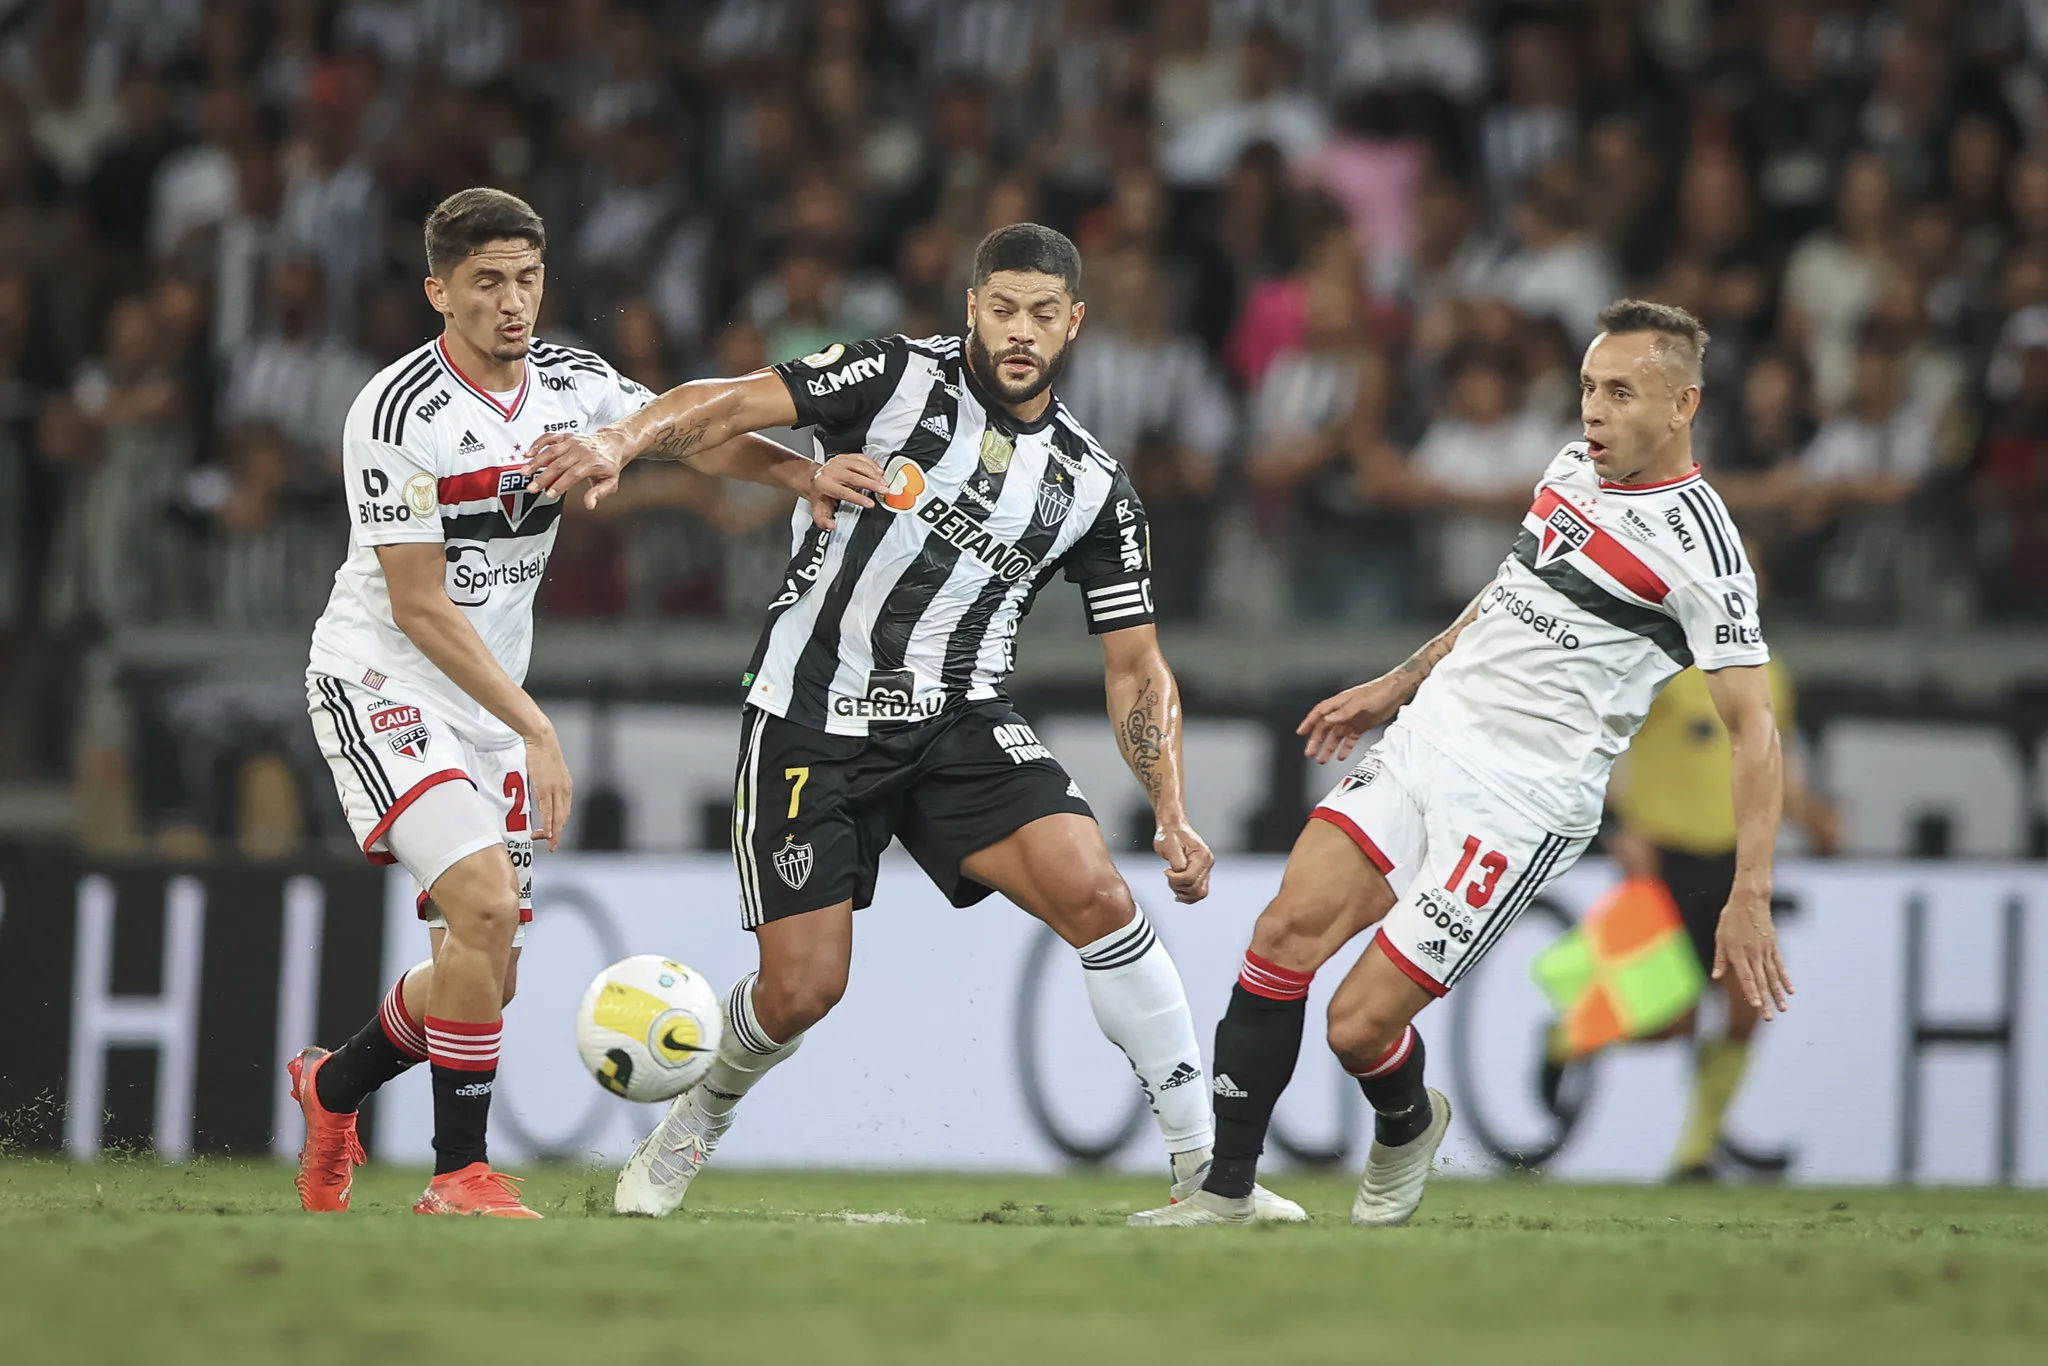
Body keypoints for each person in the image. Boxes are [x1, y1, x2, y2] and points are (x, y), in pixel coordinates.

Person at [523, 223, 1303, 1222]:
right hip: (810, 715)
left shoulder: (1092, 485)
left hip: (955, 721)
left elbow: (1136, 667)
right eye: (1002, 307)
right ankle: (689, 1129)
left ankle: (1207, 1175)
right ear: (971, 307)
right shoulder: (889, 376)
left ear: (1074, 323)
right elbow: (722, 403)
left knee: (1098, 891)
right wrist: (615, 439)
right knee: (802, 989)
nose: (1020, 331)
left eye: (1042, 313)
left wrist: (1171, 807)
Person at [1129, 299, 1794, 1227]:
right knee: (1281, 936)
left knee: (1357, 1026)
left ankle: (1405, 1122)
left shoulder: (1706, 552)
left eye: (1619, 392)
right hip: (1427, 743)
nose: (1592, 412)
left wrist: (1750, 892)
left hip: (1520, 804)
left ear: (1682, 405)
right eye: (1586, 389)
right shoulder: (1570, 470)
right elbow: (1508, 593)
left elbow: (1753, 730)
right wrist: (1399, 683)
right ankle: (1227, 1194)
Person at [288, 188, 858, 1217]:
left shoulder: (572, 381)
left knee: (483, 975)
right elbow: (418, 605)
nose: (514, 303)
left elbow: (682, 435)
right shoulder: (394, 413)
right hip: (383, 680)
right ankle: (460, 1172)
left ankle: (330, 1089)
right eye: (488, 283)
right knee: (484, 905)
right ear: (438, 292)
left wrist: (796, 478)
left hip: (490, 700)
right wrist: (536, 725)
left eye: (528, 279)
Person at [1606, 650, 1840, 1181]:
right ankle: (1564, 1039)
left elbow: (1771, 764)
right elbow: (1606, 744)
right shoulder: (1658, 663)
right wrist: (1620, 827)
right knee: (1670, 1022)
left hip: (1735, 863)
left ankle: (1696, 1152)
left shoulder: (1769, 673)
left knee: (1746, 1003)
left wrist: (1810, 817)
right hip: (1664, 860)